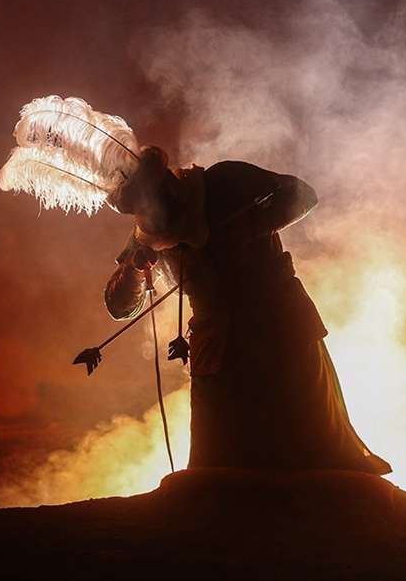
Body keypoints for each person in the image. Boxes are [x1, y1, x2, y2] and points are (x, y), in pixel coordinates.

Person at [104, 146, 391, 475]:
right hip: (219, 350)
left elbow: (304, 195)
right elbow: (119, 307)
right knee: (222, 462)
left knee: (306, 442)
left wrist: (255, 224)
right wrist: (134, 273)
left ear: (168, 185)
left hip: (278, 328)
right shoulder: (147, 236)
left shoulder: (227, 181)